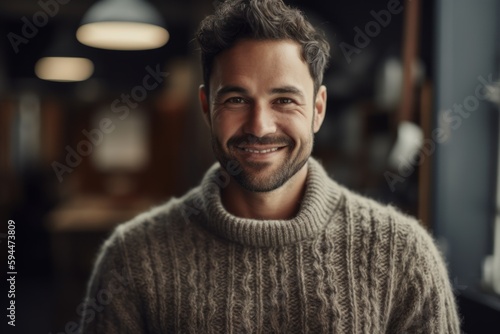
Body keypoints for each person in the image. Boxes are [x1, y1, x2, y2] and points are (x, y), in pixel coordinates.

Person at [79, 0, 461, 333]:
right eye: (236, 100)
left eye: (284, 100)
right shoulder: (131, 259)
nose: (260, 126)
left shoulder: (404, 256)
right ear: (206, 108)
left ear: (318, 109)